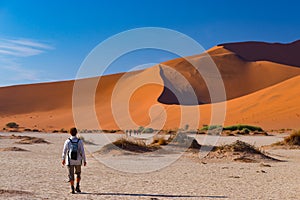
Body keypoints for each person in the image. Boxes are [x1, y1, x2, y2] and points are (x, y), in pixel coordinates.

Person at [62, 127, 87, 194]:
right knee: (78, 174)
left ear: (70, 133)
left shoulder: (67, 141)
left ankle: (72, 188)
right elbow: (82, 151)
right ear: (76, 133)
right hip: (78, 161)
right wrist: (84, 160)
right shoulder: (80, 141)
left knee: (71, 175)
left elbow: (64, 151)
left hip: (69, 161)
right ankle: (77, 186)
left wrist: (63, 159)